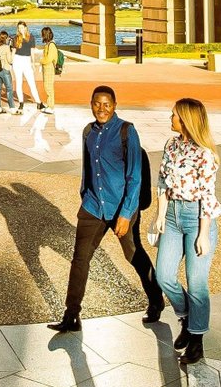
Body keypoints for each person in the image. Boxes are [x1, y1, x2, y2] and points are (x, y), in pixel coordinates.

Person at [48, 85, 165, 333]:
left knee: (134, 254)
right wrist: (84, 194)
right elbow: (88, 168)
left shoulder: (127, 131)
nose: (101, 109)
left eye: (106, 104)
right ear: (91, 104)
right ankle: (71, 315)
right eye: (96, 104)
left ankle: (156, 300)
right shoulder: (88, 131)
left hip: (121, 205)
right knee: (80, 259)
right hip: (92, 206)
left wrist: (125, 214)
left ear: (114, 105)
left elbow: (135, 177)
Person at [153, 97, 221, 365]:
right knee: (164, 276)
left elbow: (208, 195)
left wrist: (203, 233)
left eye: (174, 115)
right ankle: (186, 318)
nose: (170, 119)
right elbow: (162, 181)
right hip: (172, 216)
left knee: (197, 284)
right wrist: (160, 216)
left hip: (197, 218)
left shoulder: (205, 154)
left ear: (185, 120)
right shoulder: (171, 145)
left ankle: (197, 341)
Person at [32, 28, 62, 153]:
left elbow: (49, 58)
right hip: (46, 67)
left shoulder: (51, 46)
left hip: (49, 67)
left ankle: (51, 106)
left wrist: (41, 61)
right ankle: (49, 105)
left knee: (49, 87)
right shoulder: (48, 45)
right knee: (46, 86)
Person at [12, 20, 42, 114]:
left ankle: (38, 102)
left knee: (31, 82)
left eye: (22, 27)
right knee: (18, 83)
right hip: (17, 60)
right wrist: (11, 63)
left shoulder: (31, 37)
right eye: (19, 28)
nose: (21, 29)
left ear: (25, 27)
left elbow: (32, 51)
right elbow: (13, 51)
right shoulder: (15, 38)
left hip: (27, 60)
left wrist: (33, 63)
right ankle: (21, 102)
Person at [0, 31, 15, 113]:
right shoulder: (6, 47)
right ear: (5, 39)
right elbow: (10, 60)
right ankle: (12, 107)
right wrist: (13, 52)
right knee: (9, 89)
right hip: (4, 69)